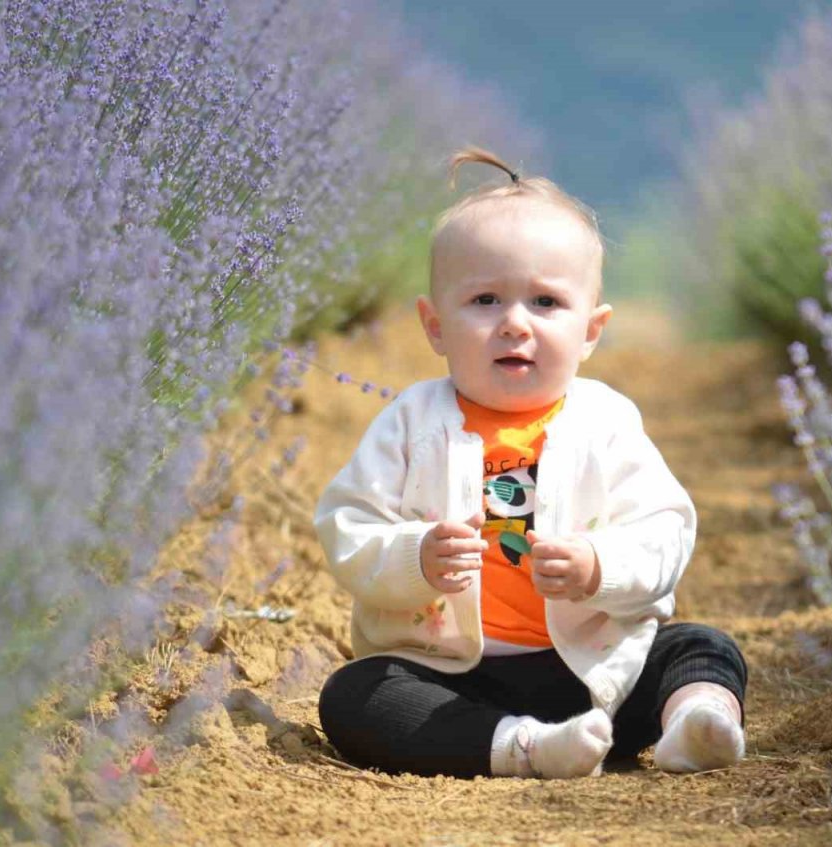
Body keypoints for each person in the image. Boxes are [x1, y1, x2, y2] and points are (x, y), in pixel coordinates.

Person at [313, 147, 747, 779]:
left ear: (591, 329)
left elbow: (664, 530)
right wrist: (415, 555)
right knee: (355, 696)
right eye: (485, 300)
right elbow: (347, 524)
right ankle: (524, 748)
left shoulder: (607, 421)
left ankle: (696, 721)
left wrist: (600, 567)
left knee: (702, 648)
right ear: (434, 326)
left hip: (595, 670)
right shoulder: (411, 421)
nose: (515, 324)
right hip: (453, 675)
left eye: (545, 303)